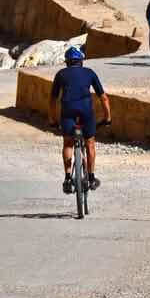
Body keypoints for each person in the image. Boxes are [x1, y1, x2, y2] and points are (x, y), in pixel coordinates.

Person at [49, 46, 111, 193]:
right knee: (89, 142)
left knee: (68, 143)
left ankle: (67, 178)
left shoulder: (61, 74)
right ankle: (91, 177)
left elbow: (53, 99)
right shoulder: (90, 73)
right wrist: (108, 117)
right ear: (81, 61)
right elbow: (103, 97)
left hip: (68, 111)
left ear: (67, 62)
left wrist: (52, 119)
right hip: (86, 112)